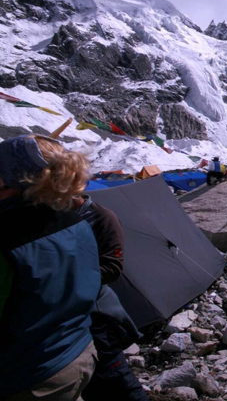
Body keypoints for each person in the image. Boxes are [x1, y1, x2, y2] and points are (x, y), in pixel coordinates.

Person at [0, 135, 101, 400]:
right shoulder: (76, 221)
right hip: (78, 353)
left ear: (9, 178)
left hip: (28, 375)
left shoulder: (7, 238)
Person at [73, 195, 148, 401]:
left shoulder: (102, 218)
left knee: (117, 381)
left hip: (97, 316)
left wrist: (67, 278)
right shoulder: (52, 216)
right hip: (68, 318)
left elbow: (112, 268)